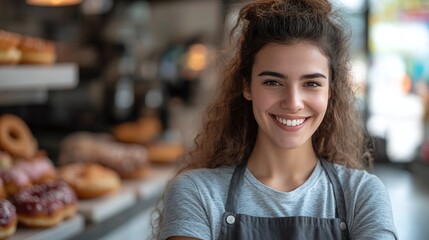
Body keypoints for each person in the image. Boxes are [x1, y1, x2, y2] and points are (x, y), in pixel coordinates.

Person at [156, 0, 398, 239]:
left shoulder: (362, 195)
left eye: (312, 83)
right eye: (273, 82)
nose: (293, 102)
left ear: (330, 92)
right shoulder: (197, 193)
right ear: (247, 86)